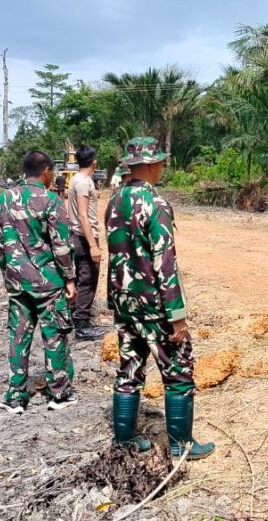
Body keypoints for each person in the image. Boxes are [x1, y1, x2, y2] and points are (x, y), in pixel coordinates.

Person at [105, 137, 215, 459]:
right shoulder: (156, 204)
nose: (163, 166)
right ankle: (181, 444)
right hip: (154, 306)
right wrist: (177, 316)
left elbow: (117, 254)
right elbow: (164, 263)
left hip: (125, 303)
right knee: (178, 370)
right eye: (162, 162)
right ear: (153, 164)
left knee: (129, 370)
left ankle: (124, 441)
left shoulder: (114, 201)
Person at [0, 151, 78, 414]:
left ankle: (15, 396)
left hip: (17, 282)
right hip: (48, 283)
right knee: (54, 336)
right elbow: (61, 246)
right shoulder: (51, 201)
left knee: (18, 337)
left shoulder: (3, 200)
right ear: (47, 171)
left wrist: (7, 274)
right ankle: (59, 393)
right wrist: (70, 279)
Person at [65, 145, 107, 341]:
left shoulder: (76, 180)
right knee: (88, 279)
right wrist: (93, 245)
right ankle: (82, 326)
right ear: (94, 162)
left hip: (78, 234)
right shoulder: (83, 182)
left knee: (84, 278)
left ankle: (77, 318)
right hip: (83, 235)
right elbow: (83, 215)